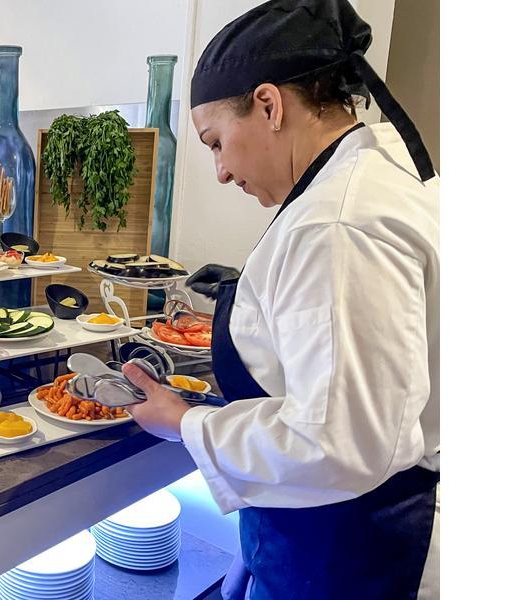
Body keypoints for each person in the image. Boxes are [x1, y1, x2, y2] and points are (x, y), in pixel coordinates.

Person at [119, 0, 440, 598]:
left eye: (216, 142)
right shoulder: (367, 182)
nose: (220, 171)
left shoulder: (336, 224)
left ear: (269, 105)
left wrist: (185, 422)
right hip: (323, 536)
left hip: (355, 554)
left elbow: (337, 440)